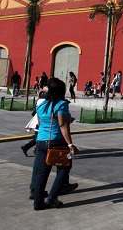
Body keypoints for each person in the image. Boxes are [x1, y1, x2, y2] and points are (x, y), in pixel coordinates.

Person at [31, 78, 79, 210]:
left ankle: (38, 202)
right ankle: (52, 197)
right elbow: (62, 124)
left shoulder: (41, 105)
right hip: (56, 141)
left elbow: (40, 123)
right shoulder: (61, 104)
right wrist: (70, 144)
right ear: (60, 90)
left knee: (42, 173)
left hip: (40, 141)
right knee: (64, 168)